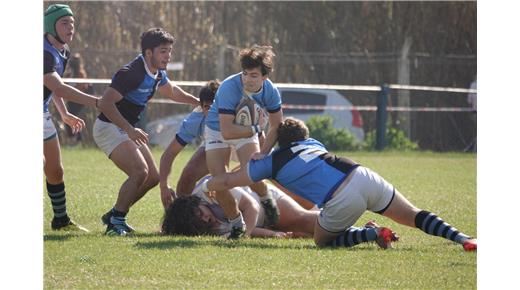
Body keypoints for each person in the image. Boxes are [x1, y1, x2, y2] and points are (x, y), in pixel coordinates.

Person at [201, 117, 477, 251]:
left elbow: (227, 179)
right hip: (364, 176)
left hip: (341, 198)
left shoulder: (270, 163)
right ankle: (463, 238)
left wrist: (209, 185)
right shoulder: (313, 143)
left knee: (322, 241)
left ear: (280, 142)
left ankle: (370, 234)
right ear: (304, 136)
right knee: (414, 215)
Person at [94, 27, 200, 236]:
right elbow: (105, 103)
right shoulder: (132, 72)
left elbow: (172, 91)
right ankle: (116, 222)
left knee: (152, 177)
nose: (168, 56)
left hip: (126, 129)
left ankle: (115, 214)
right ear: (148, 52)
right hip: (108, 127)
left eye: (170, 51)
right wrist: (129, 129)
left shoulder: (158, 72)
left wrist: (199, 102)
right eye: (163, 51)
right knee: (139, 172)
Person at [162, 176, 399, 249]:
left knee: (306, 222)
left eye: (200, 213)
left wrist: (244, 235)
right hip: (259, 223)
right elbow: (245, 231)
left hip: (265, 203)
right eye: (199, 223)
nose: (205, 219)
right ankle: (369, 232)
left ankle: (345, 206)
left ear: (197, 202)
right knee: (311, 238)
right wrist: (273, 236)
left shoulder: (210, 189)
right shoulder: (201, 229)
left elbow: (250, 208)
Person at [203, 45, 284, 239]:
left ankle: (266, 198)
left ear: (265, 77)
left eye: (254, 75)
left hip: (246, 132)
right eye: (245, 73)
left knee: (253, 176)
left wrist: (264, 152)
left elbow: (276, 126)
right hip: (218, 131)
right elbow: (228, 131)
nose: (247, 79)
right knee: (218, 184)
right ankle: (236, 224)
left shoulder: (271, 92)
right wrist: (257, 129)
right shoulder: (230, 87)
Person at [43, 4, 100, 231]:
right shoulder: (42, 52)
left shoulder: (63, 51)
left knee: (55, 170)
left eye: (72, 23)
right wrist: (96, 102)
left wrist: (64, 112)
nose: (70, 27)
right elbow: (60, 86)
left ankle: (61, 220)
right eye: (64, 23)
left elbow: (52, 87)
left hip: (42, 113)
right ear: (50, 26)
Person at [159, 80, 220, 209]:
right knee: (188, 175)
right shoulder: (196, 119)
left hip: (241, 141)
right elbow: (169, 154)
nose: (211, 112)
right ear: (201, 106)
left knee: (258, 172)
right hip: (214, 142)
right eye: (207, 107)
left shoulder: (237, 109)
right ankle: (178, 219)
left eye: (215, 107)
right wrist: (164, 186)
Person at [63, 52, 93, 144]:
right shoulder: (69, 73)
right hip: (70, 100)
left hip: (78, 101)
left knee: (72, 118)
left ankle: (77, 139)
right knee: (68, 118)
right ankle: (75, 138)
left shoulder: (80, 73)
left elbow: (81, 88)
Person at [465, 75, 477, 152]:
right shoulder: (473, 84)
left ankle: (474, 150)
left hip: (475, 111)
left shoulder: (473, 85)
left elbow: (469, 100)